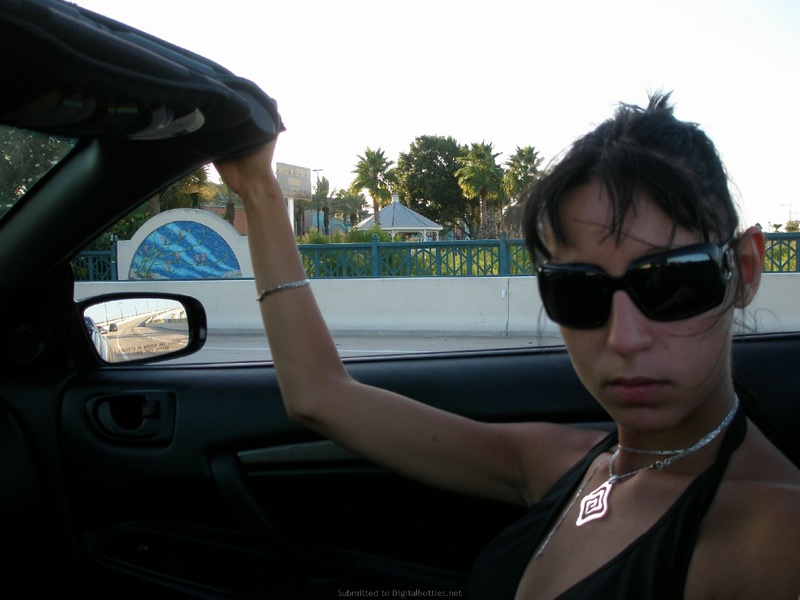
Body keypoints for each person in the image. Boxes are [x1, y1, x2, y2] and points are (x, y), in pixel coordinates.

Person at [216, 93, 800, 599]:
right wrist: (259, 191)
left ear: (744, 271)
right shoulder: (572, 465)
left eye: (671, 283)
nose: (624, 337)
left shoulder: (775, 538)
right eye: (578, 291)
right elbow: (320, 395)